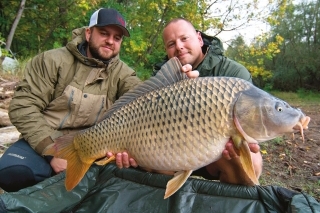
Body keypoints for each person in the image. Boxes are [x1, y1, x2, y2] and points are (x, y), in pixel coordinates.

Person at [0, 8, 145, 192]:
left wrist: (181, 85)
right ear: (88, 32)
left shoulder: (124, 74)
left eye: (117, 38)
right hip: (45, 141)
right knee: (13, 172)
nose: (110, 41)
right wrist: (52, 152)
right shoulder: (51, 60)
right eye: (104, 33)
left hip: (94, 147)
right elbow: (23, 107)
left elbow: (146, 98)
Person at [111, 18, 263, 185]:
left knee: (250, 163)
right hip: (172, 151)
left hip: (216, 153)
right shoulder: (162, 78)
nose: (179, 46)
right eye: (171, 44)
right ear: (166, 50)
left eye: (184, 39)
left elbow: (250, 121)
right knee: (143, 160)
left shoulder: (234, 73)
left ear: (199, 38)